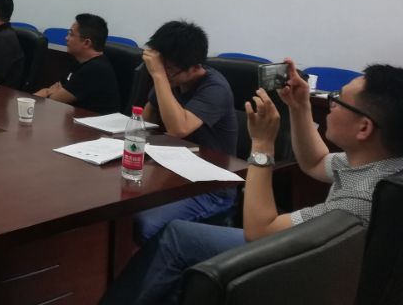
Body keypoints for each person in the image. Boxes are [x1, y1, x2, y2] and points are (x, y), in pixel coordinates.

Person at [100, 61, 403, 305]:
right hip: (326, 260)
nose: (331, 104)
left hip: (311, 276)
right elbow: (315, 162)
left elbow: (260, 232)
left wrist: (262, 144)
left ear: (364, 128)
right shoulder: (379, 163)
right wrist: (299, 107)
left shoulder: (360, 202)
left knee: (177, 238)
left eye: (338, 100)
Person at [133, 20, 237, 242]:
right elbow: (147, 120)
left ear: (195, 67)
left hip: (210, 188)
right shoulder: (172, 80)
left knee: (142, 223)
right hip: (172, 174)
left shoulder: (215, 88)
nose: (163, 73)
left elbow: (178, 128)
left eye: (169, 69)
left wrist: (159, 76)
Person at [35, 13, 120, 113]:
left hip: (93, 122)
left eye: (71, 34)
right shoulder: (80, 61)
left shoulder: (96, 69)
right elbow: (57, 87)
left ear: (86, 43)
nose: (66, 38)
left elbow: (53, 100)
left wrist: (45, 91)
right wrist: (49, 91)